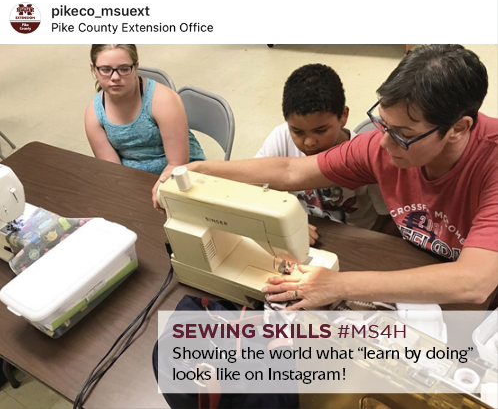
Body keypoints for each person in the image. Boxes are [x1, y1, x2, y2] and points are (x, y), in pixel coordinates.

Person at [153, 44, 498, 308]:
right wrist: (198, 169)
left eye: (402, 133)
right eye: (382, 123)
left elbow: (473, 282)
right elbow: (290, 170)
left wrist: (339, 284)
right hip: (417, 270)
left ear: (458, 128)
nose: (382, 142)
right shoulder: (382, 148)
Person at [255, 64, 389, 245]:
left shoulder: (366, 155)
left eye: (320, 130)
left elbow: (390, 220)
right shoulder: (281, 137)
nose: (309, 142)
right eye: (297, 131)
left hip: (357, 243)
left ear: (343, 116)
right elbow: (254, 191)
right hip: (305, 235)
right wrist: (288, 222)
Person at [85, 44, 206, 196]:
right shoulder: (94, 113)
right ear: (93, 69)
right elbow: (114, 172)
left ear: (135, 67)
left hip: (182, 177)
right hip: (135, 182)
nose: (115, 77)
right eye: (106, 70)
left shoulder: (163, 100)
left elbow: (178, 164)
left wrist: (155, 194)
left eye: (123, 69)